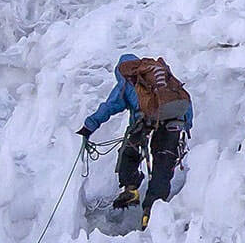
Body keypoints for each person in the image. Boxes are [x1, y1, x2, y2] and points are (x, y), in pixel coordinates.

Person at [77, 53, 193, 229]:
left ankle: (131, 189)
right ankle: (152, 210)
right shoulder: (164, 79)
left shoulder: (128, 82)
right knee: (163, 160)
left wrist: (88, 127)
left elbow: (108, 107)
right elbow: (183, 99)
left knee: (129, 151)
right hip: (175, 121)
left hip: (144, 121)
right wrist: (186, 125)